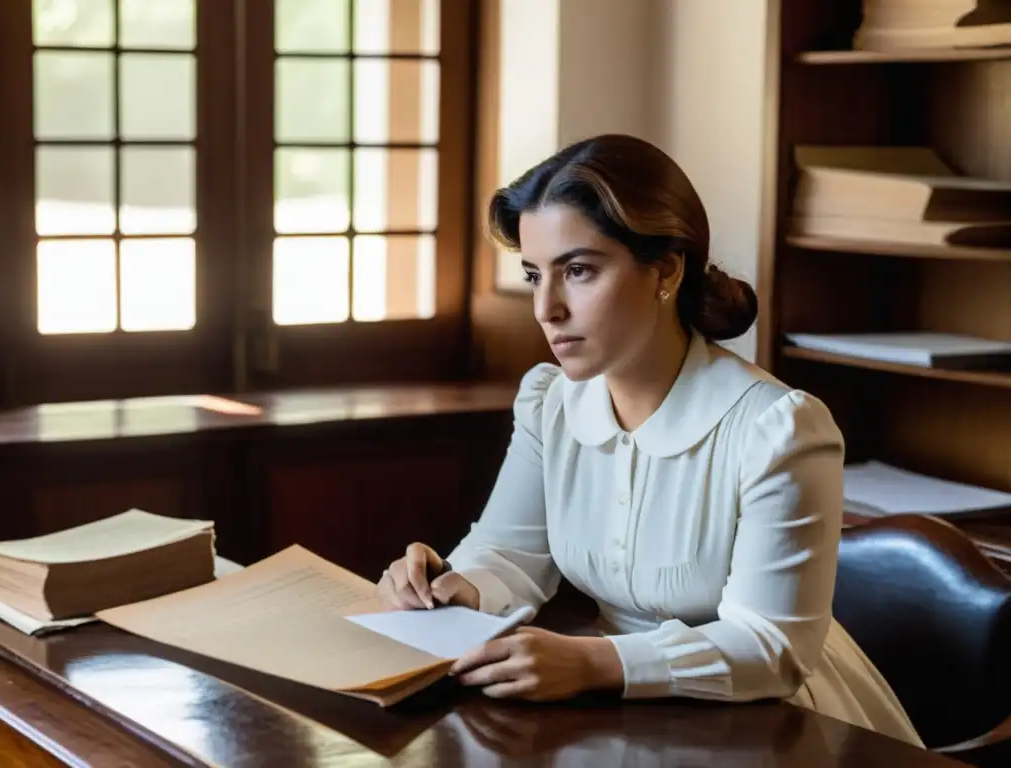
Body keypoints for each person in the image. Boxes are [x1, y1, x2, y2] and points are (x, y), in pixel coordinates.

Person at [376, 134, 923, 748]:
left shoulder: (779, 429)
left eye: (578, 271)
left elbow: (770, 647)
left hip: (776, 720)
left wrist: (593, 663)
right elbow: (508, 553)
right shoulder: (551, 403)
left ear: (665, 270)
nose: (546, 308)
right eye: (535, 275)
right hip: (620, 708)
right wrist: (453, 585)